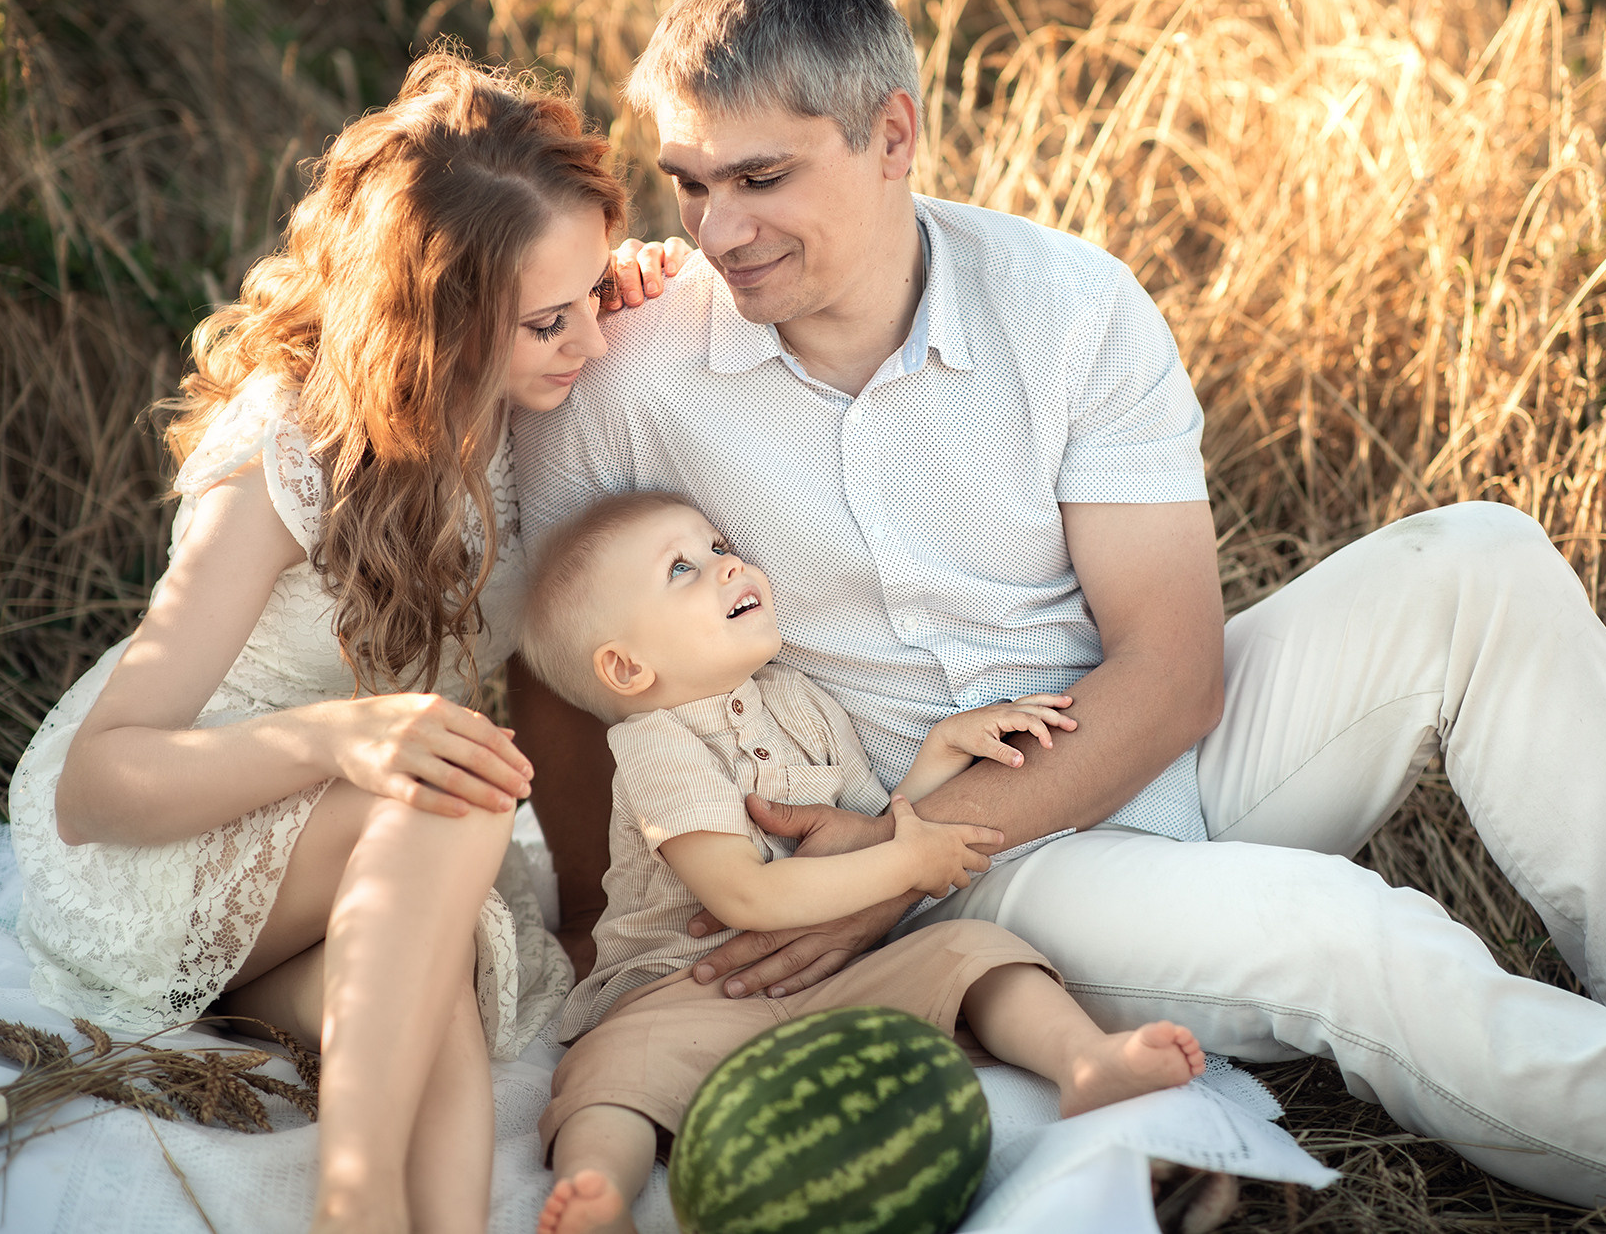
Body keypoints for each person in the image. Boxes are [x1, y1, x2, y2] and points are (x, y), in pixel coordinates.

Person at [510, 0, 1606, 1234]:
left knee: (1479, 558)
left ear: (893, 134)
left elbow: (1175, 672)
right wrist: (627, 924)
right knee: (1352, 934)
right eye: (690, 182)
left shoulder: (1067, 305)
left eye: (761, 178)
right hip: (970, 882)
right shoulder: (635, 376)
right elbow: (569, 667)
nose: (719, 228)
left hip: (1113, 761)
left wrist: (885, 865)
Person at [7, 52, 688, 1234]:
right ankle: (352, 1206)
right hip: (175, 842)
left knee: (433, 996)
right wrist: (341, 738)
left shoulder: (527, 405)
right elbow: (96, 788)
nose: (588, 339)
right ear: (437, 323)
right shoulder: (287, 448)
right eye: (547, 319)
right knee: (454, 801)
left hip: (363, 864)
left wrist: (610, 292)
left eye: (590, 293)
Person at [515, 490, 1204, 1234]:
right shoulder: (656, 745)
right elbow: (744, 895)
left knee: (977, 952)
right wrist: (910, 866)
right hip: (685, 991)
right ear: (625, 667)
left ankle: (1087, 1064)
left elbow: (877, 827)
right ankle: (599, 1192)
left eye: (718, 547)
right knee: (609, 1073)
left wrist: (942, 749)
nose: (728, 565)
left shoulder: (799, 701)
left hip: (835, 976)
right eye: (682, 568)